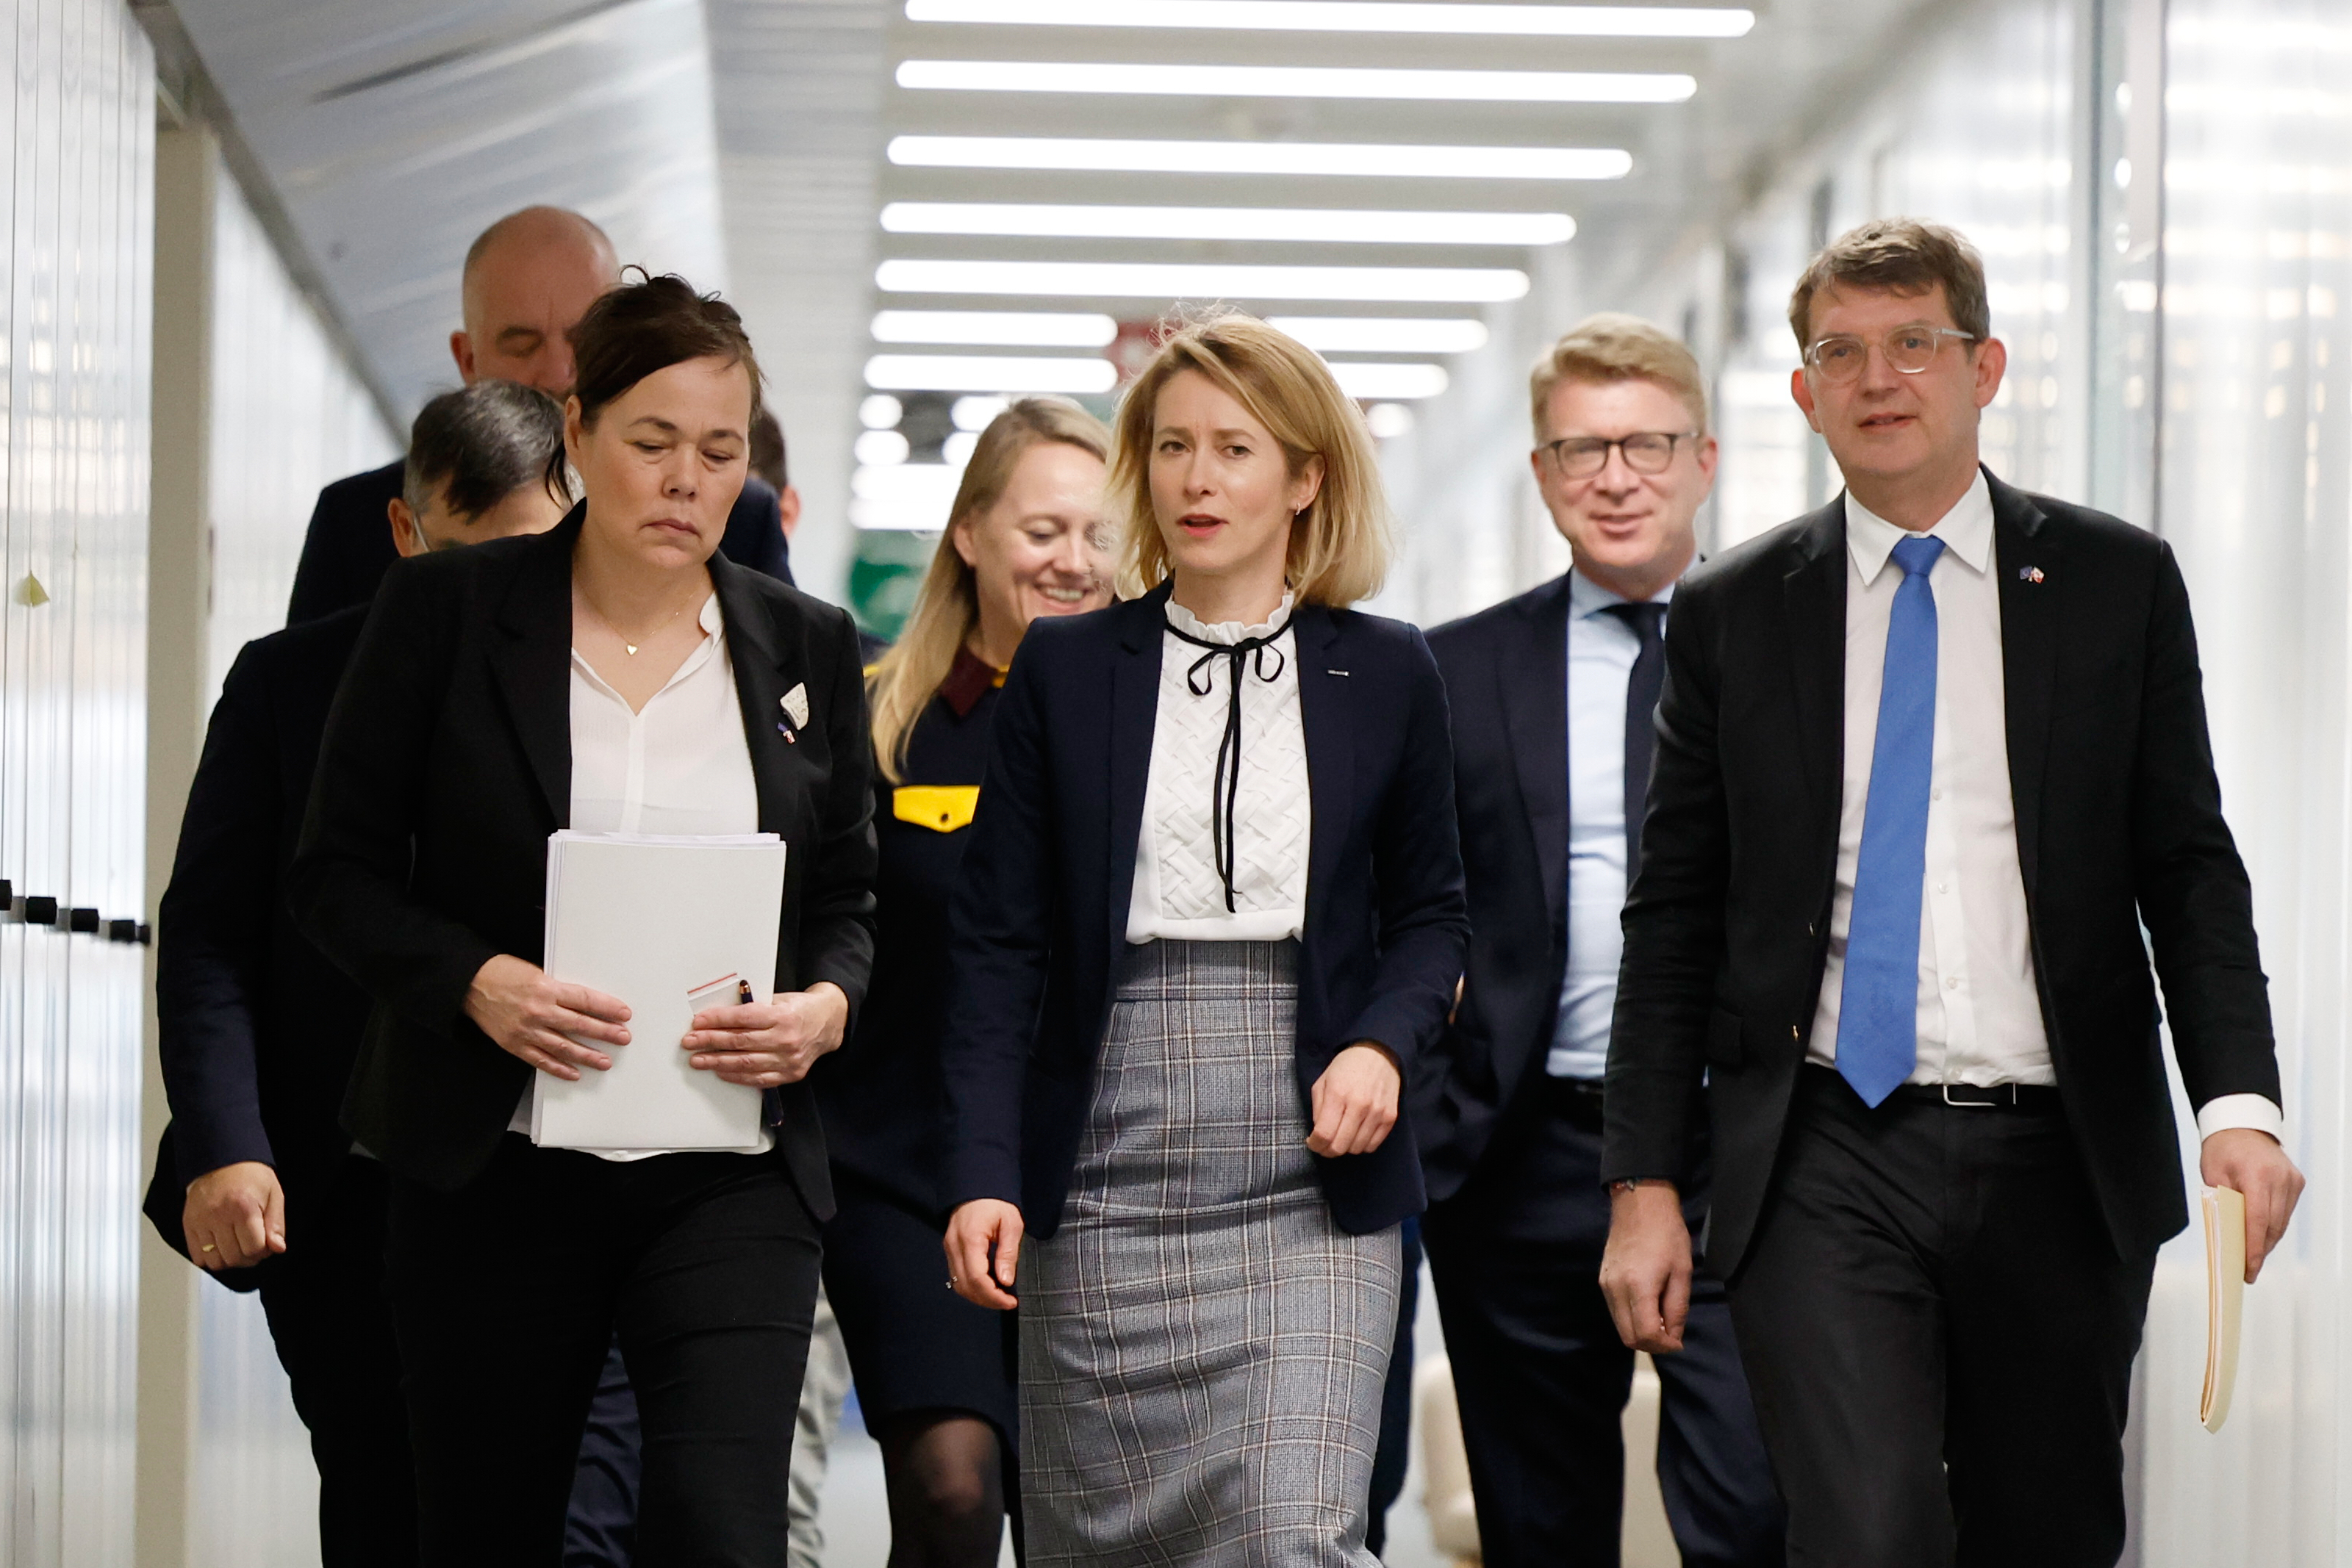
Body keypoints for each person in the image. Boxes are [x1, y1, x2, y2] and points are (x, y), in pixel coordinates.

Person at [1599, 218, 2306, 1567]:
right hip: (1822, 1148)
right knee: (1867, 1532)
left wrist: (2241, 1105)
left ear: (1984, 366)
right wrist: (1642, 1180)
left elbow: (2188, 866)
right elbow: (1674, 911)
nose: (1880, 378)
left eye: (1915, 343)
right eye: (1842, 352)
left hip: (2059, 1148)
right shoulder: (1737, 609)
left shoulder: (2115, 583)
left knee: (2043, 1531)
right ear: (1803, 392)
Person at [290, 273, 877, 1565]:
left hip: (730, 1172)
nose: (685, 479)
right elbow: (333, 870)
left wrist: (826, 1003)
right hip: (493, 1162)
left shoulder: (804, 645)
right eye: (652, 442)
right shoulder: (446, 615)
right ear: (580, 431)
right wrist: (474, 979)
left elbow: (847, 892)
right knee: (488, 1532)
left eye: (718, 451)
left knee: (725, 1534)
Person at [940, 313, 1469, 1564]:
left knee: (1296, 1532)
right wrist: (982, 1166)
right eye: (1173, 445)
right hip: (1104, 1176)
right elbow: (997, 949)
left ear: (1305, 477)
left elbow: (1435, 914)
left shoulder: (1388, 670)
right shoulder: (1068, 669)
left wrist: (1384, 1046)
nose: (1197, 477)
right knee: (1101, 1545)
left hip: (1311, 1183)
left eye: (1236, 447)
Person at [143, 380, 573, 1567]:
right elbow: (213, 931)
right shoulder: (289, 683)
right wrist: (229, 1139)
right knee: (383, 1488)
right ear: (404, 532)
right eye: (460, 559)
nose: (491, 597)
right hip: (339, 1177)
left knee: (556, 1504)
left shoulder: (618, 699)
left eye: (528, 559)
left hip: (546, 1170)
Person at [1418, 315, 1784, 1567]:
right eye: (1581, 448)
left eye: (1645, 444)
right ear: (1542, 473)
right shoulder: (1455, 669)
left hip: (1745, 1150)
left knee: (1752, 1513)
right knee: (1542, 1529)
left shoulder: (1792, 650)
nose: (1614, 476)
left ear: (1705, 459)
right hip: (1523, 1154)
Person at [821, 397, 1116, 1566]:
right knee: (953, 1489)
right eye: (1044, 530)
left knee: (1068, 1517)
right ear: (971, 535)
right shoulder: (881, 721)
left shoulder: (1142, 723)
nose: (1074, 561)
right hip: (904, 1171)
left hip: (1089, 1177)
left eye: (1100, 535)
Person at [284, 206, 792, 625]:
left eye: (582, 341)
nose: (557, 371)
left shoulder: (736, 519)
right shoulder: (357, 521)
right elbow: (305, 710)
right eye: (521, 344)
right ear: (467, 359)